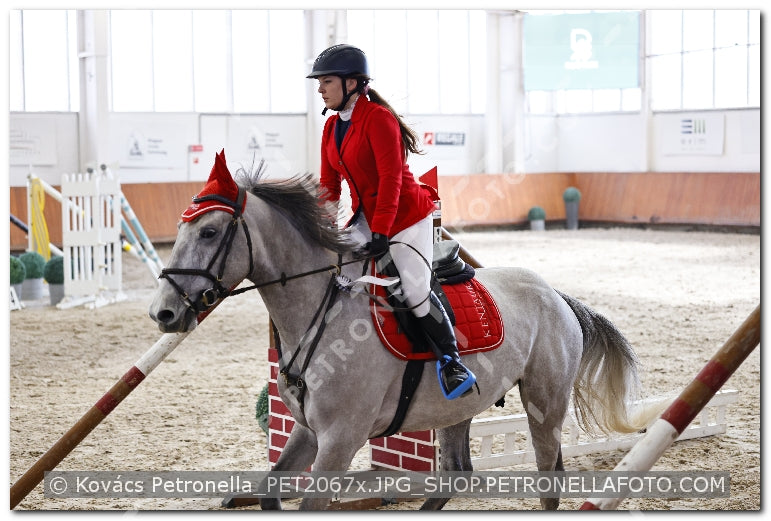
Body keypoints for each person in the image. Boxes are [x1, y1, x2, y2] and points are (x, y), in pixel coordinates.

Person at [307, 43, 475, 399]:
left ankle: (451, 361)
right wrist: (320, 230)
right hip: (367, 216)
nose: (319, 88)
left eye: (326, 81)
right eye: (318, 82)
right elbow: (328, 186)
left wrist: (382, 230)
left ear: (352, 83)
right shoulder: (331, 128)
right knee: (339, 279)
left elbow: (391, 180)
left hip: (405, 214)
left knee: (413, 289)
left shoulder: (379, 119)